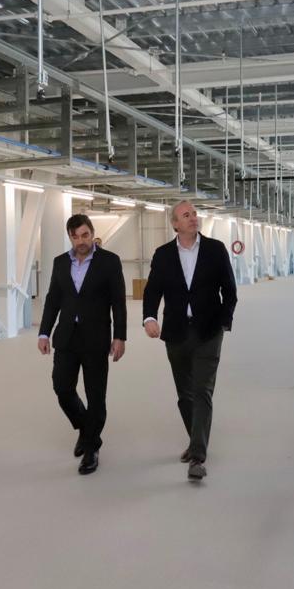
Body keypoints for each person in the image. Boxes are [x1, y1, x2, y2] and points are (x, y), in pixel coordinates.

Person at [143, 200, 238, 481]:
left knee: (202, 390)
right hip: (175, 332)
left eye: (195, 213)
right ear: (175, 224)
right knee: (184, 394)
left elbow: (229, 290)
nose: (193, 217)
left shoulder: (215, 249)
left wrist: (224, 321)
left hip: (208, 331)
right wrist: (149, 317)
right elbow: (152, 290)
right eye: (186, 215)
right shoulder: (163, 255)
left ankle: (197, 455)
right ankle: (196, 438)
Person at [38, 214, 126, 475]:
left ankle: (91, 448)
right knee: (62, 387)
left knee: (95, 395)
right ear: (70, 237)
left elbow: (118, 301)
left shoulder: (109, 261)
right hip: (66, 337)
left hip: (96, 338)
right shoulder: (60, 262)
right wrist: (44, 333)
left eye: (85, 235)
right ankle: (87, 429)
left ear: (92, 233)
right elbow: (53, 299)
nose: (81, 241)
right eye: (75, 237)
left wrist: (119, 336)